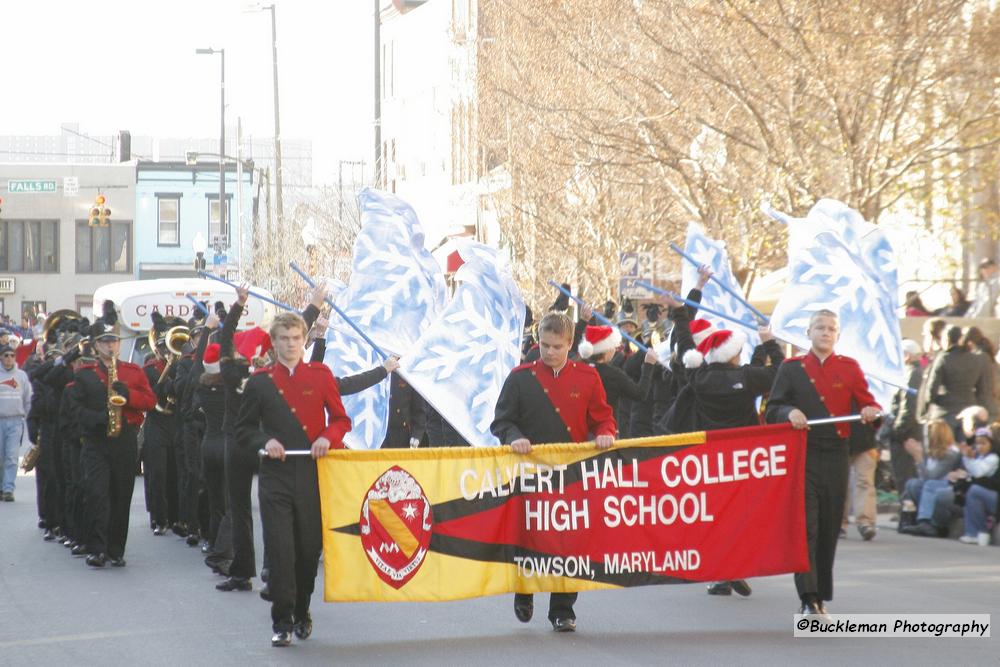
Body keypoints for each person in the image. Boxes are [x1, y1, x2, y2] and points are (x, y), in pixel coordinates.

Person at [491, 312, 616, 633]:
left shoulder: (588, 377)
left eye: (557, 346)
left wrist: (606, 433)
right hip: (529, 472)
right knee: (529, 534)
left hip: (570, 474)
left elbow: (602, 417)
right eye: (544, 345)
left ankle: (562, 609)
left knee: (568, 541)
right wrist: (513, 436)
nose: (549, 352)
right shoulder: (520, 378)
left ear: (570, 344)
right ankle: (525, 590)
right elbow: (501, 421)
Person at [236, 311, 351, 647]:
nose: (290, 345)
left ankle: (302, 610)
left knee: (307, 550)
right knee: (282, 550)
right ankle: (282, 620)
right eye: (284, 339)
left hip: (312, 475)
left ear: (305, 341)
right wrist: (264, 442)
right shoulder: (260, 382)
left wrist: (327, 438)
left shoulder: (320, 375)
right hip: (276, 477)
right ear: (274, 342)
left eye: (296, 339)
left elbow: (341, 419)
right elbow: (243, 429)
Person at [764, 309, 881, 618]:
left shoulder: (850, 368)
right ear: (808, 332)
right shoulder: (791, 369)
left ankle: (821, 595)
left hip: (837, 455)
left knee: (829, 527)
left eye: (831, 329)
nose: (826, 332)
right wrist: (789, 412)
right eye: (820, 327)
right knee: (807, 528)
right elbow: (772, 408)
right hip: (805, 455)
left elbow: (869, 403)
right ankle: (808, 597)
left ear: (838, 335)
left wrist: (870, 411)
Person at [68, 302, 156, 567]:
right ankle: (97, 548)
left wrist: (127, 395)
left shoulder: (132, 372)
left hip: (125, 439)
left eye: (114, 341)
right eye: (105, 342)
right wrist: (99, 418)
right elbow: (76, 410)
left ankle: (116, 549)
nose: (110, 346)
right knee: (96, 494)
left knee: (121, 495)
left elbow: (150, 401)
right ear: (96, 346)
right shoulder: (84, 375)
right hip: (96, 441)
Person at [921, 325, 996, 439]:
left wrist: (925, 409)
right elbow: (983, 389)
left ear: (946, 340)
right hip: (968, 411)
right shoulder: (976, 359)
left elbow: (932, 387)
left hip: (945, 412)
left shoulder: (943, 358)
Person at [899, 420, 963, 537]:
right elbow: (923, 477)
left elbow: (931, 477)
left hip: (949, 486)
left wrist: (918, 457)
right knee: (912, 484)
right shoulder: (933, 452)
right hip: (934, 485)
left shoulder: (951, 454)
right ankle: (911, 518)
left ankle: (927, 522)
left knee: (930, 484)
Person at [889, 339, 924, 494]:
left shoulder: (912, 375)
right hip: (909, 433)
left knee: (905, 476)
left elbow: (908, 407)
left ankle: (908, 510)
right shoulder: (915, 373)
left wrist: (898, 431)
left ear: (907, 356)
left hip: (907, 435)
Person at [956, 426, 999, 545]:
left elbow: (978, 472)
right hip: (986, 494)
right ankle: (972, 532)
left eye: (983, 443)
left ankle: (976, 532)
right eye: (977, 444)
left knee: (974, 491)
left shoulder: (993, 458)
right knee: (970, 493)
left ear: (991, 444)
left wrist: (967, 458)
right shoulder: (979, 457)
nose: (979, 447)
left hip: (995, 497)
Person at [0, 344, 31, 502]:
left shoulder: (21, 376)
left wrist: (29, 418)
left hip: (15, 421)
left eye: (12, 355)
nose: (9, 358)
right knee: (1, 456)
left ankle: (8, 488)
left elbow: (28, 399)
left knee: (11, 456)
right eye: (6, 355)